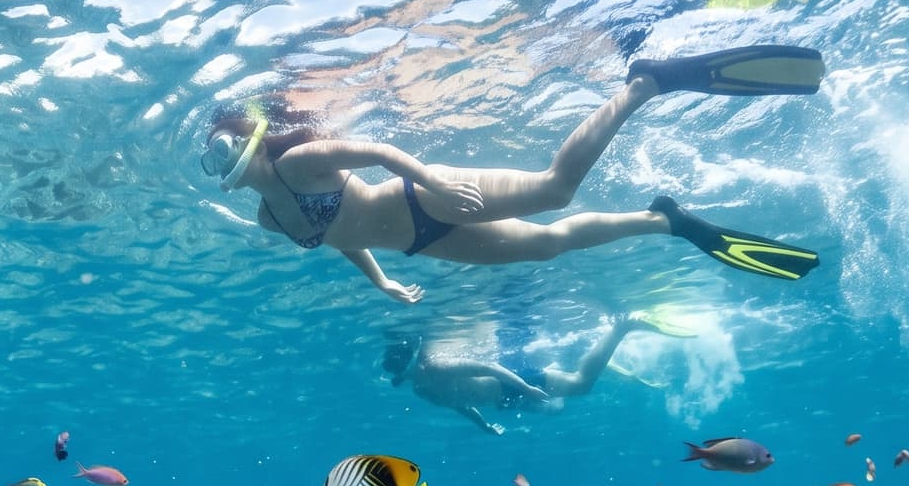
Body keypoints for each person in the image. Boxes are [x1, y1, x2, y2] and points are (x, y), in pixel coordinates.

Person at [199, 45, 825, 302]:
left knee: (556, 190)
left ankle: (645, 82)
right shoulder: (265, 215)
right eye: (213, 157)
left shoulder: (300, 162)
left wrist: (439, 185)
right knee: (549, 247)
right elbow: (343, 237)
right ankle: (664, 220)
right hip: (425, 241)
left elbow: (381, 153)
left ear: (253, 137)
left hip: (428, 196)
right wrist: (383, 281)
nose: (221, 158)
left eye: (225, 144)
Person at [382, 317, 647, 434]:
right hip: (505, 400)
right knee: (556, 410)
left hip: (515, 383)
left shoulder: (436, 366)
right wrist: (483, 425)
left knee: (581, 385)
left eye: (399, 370)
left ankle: (621, 327)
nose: (400, 377)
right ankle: (563, 362)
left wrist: (525, 387)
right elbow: (458, 404)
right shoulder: (419, 387)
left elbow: (489, 369)